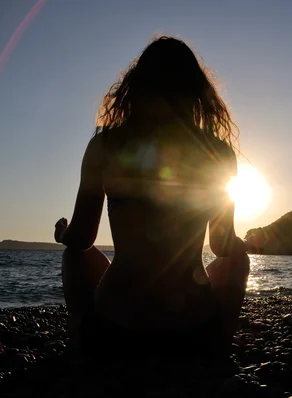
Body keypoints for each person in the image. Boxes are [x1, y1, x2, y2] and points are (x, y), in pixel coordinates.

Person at [53, 36, 250, 358]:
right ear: (196, 93)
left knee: (74, 254)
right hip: (192, 326)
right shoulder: (217, 151)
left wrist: (62, 233)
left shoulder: (106, 146)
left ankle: (80, 336)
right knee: (237, 259)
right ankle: (220, 344)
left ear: (135, 87)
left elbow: (82, 238)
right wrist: (245, 243)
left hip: (117, 324)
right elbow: (222, 246)